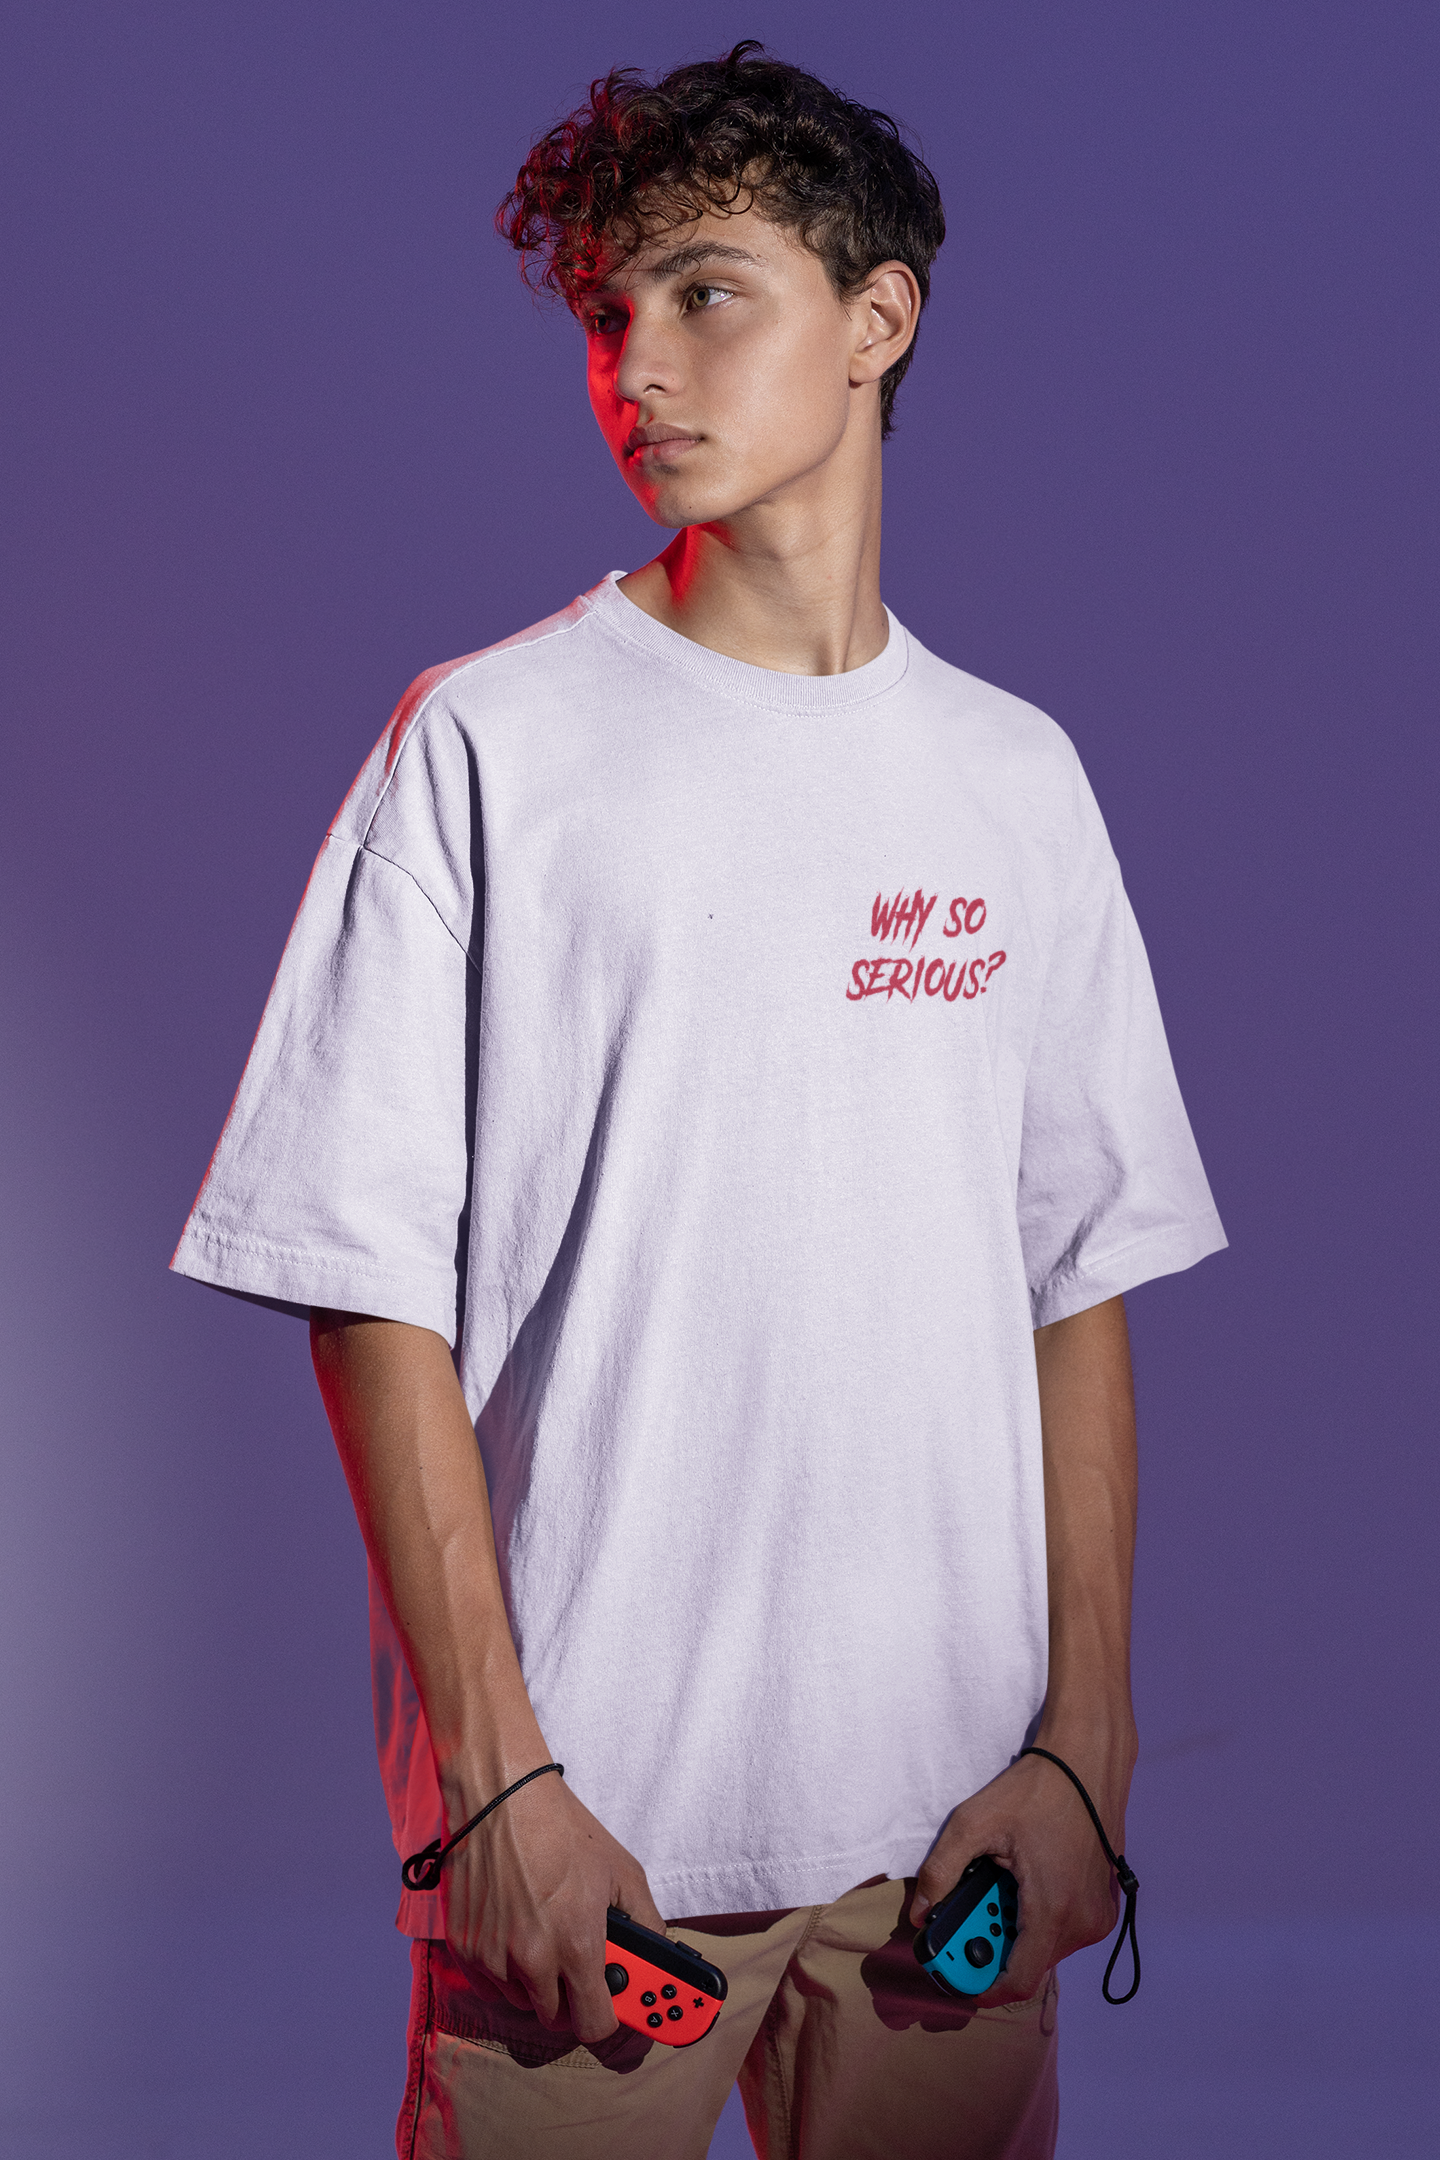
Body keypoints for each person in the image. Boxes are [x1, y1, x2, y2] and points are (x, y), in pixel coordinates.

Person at [172, 42, 1224, 2160]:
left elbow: (1076, 1281)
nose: (634, 364)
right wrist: (497, 1787)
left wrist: (1085, 1755)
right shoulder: (488, 745)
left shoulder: (1016, 780)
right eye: (606, 311)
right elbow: (367, 1292)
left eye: (705, 293)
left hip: (945, 1858)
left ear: (878, 318)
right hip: (592, 1864)